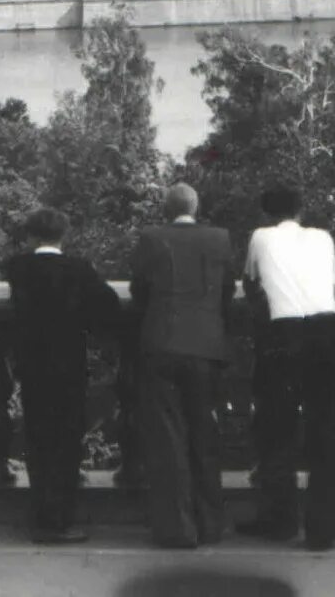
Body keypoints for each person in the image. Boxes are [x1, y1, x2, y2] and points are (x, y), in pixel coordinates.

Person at [238, 184, 335, 551]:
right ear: (301, 210)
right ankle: (326, 526)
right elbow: (330, 284)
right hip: (327, 329)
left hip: (284, 332)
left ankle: (280, 519)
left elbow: (251, 284)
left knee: (277, 427)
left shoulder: (260, 238)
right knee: (328, 427)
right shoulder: (323, 238)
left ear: (266, 213)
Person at [3, 208, 122, 544]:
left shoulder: (18, 268)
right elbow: (108, 307)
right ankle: (61, 520)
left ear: (31, 235)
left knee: (38, 440)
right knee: (67, 442)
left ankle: (42, 518)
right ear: (63, 234)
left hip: (32, 367)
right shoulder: (79, 270)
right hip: (69, 367)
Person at [129, 182, 236, 549]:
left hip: (161, 344)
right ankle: (210, 526)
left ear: (165, 207)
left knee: (169, 439)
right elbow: (226, 294)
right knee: (205, 437)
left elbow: (138, 292)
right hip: (206, 347)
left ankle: (177, 528)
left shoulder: (150, 238)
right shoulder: (220, 239)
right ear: (197, 206)